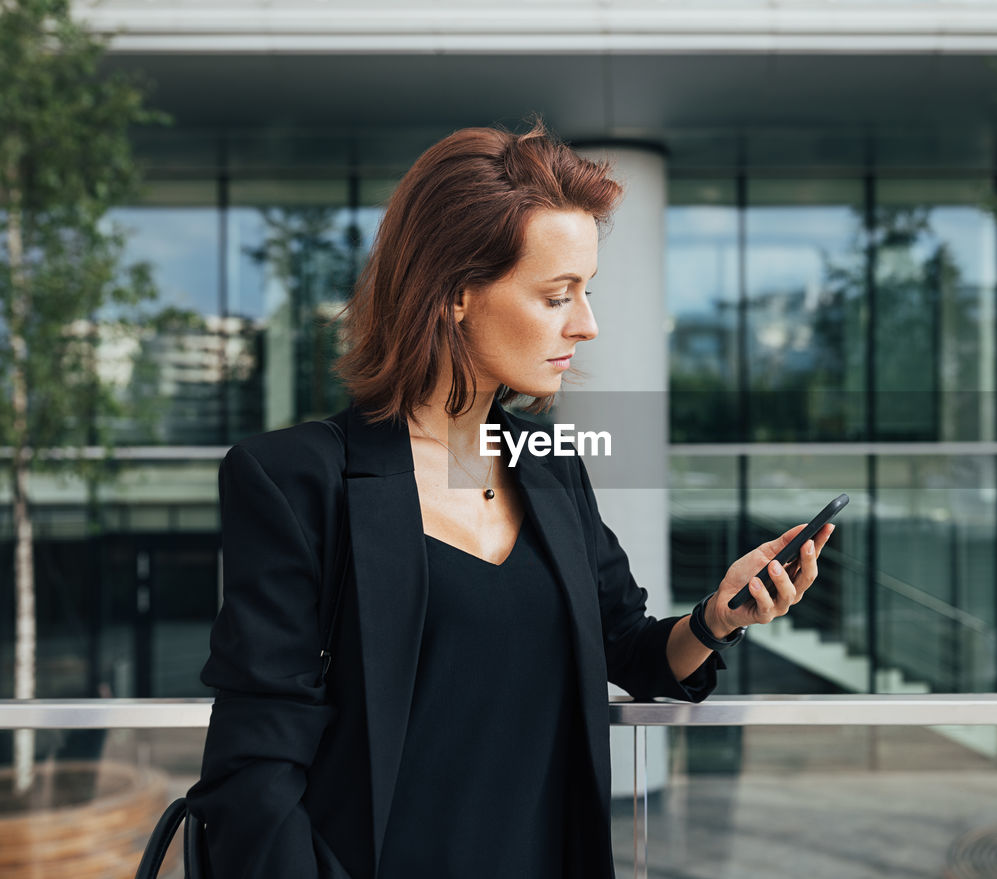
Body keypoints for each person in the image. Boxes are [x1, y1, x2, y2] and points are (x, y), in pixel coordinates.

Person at [184, 120, 835, 879]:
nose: (587, 325)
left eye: (585, 292)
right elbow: (253, 776)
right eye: (559, 294)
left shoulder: (548, 464)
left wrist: (719, 616)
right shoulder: (296, 478)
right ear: (457, 292)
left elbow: (625, 644)